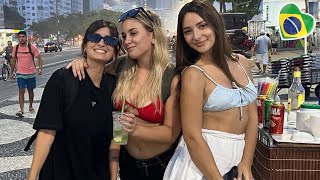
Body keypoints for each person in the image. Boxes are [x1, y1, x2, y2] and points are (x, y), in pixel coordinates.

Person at [67, 7, 181, 180]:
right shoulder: (120, 68)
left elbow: (170, 134)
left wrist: (136, 128)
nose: (127, 41)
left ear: (152, 35)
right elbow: (95, 67)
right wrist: (82, 59)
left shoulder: (171, 77)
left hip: (162, 166)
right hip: (128, 165)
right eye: (124, 36)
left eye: (133, 33)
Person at [163, 0, 258, 180]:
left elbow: (252, 116)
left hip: (236, 165)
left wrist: (246, 162)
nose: (197, 36)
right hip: (199, 170)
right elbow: (192, 136)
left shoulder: (242, 62)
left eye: (202, 26)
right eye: (188, 31)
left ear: (215, 25)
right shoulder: (194, 74)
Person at [27, 20, 121, 180]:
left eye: (110, 40)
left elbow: (118, 137)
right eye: (95, 37)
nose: (102, 43)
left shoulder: (116, 87)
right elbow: (46, 132)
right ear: (85, 44)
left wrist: (113, 176)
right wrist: (32, 176)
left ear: (115, 51)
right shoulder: (63, 79)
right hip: (61, 173)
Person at [10, 31, 43, 117]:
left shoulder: (32, 47)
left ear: (26, 37)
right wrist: (11, 72)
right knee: (21, 90)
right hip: (20, 73)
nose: (21, 38)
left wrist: (40, 68)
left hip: (31, 73)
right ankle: (21, 110)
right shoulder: (15, 48)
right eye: (19, 37)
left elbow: (39, 58)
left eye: (23, 37)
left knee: (30, 91)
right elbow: (13, 61)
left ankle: (31, 106)